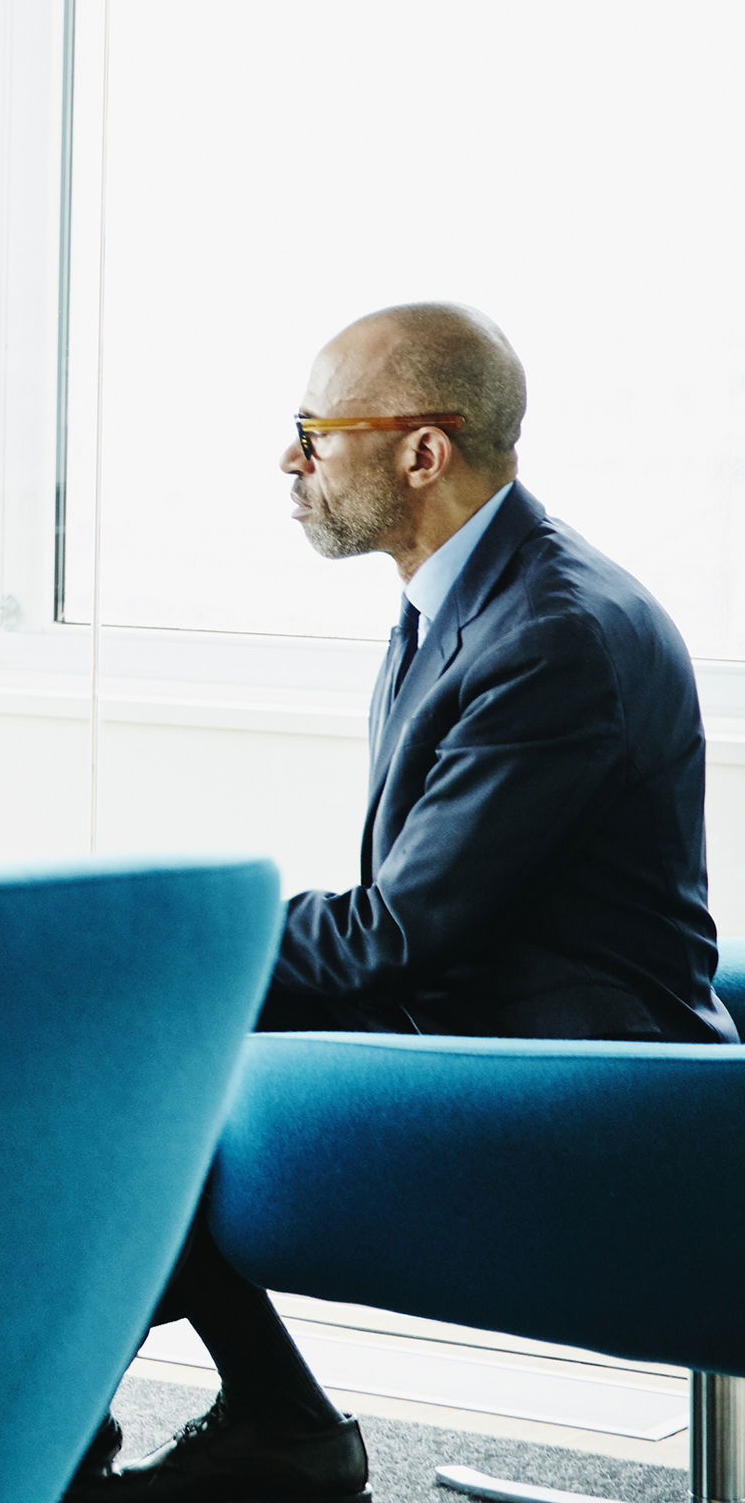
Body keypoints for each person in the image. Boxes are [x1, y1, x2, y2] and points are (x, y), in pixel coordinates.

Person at [77, 303, 733, 1503]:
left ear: (422, 452)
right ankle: (254, 1424)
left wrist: (179, 941)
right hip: (510, 1024)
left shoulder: (549, 635)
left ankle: (58, 1441)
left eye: (313, 433)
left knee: (135, 1059)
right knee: (134, 1056)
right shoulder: (481, 598)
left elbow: (396, 934)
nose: (288, 461)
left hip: (582, 1085)